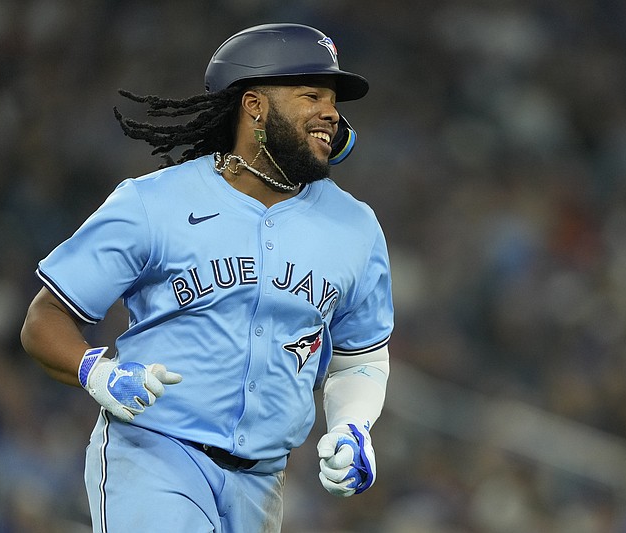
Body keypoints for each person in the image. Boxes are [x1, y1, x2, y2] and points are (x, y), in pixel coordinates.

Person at [20, 23, 393, 533]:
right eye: (312, 95)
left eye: (333, 100)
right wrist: (98, 372)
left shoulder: (357, 227)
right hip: (154, 454)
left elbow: (359, 355)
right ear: (254, 105)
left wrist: (355, 425)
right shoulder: (152, 203)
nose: (331, 112)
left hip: (262, 482)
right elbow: (44, 318)